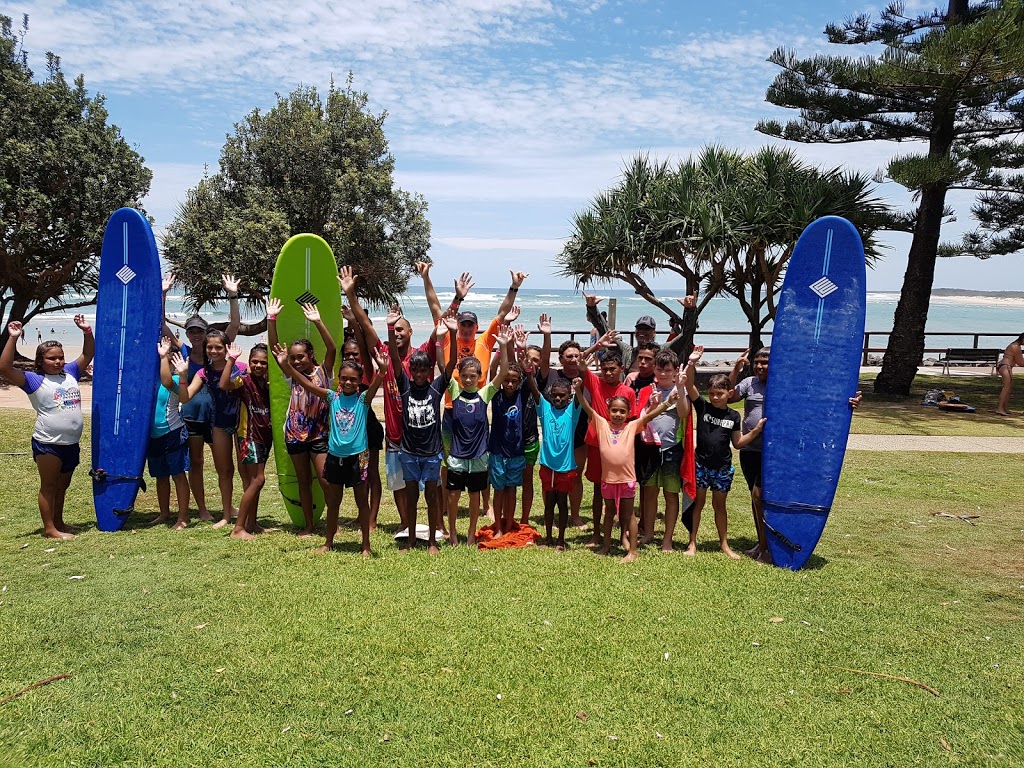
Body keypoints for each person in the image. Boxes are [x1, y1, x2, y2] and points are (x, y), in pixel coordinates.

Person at [341, 264, 469, 533]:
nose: (397, 333)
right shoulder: (385, 355)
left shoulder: (422, 356)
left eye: (402, 329)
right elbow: (364, 325)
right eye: (394, 329)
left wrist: (456, 299)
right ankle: (404, 523)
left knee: (432, 485)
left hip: (426, 439)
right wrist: (350, 295)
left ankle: (439, 525)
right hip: (397, 437)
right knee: (399, 484)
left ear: (410, 332)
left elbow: (442, 324)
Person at [727, 347, 862, 563]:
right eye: (757, 362)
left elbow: (818, 400)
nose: (760, 366)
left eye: (765, 362)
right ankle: (762, 544)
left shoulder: (786, 385)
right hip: (750, 450)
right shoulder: (749, 383)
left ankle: (768, 548)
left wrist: (848, 402)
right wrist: (736, 369)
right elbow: (729, 396)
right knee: (755, 500)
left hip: (774, 451)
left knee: (759, 495)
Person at [272, 344, 385, 557]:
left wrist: (382, 369)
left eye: (353, 379)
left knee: (362, 501)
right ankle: (328, 542)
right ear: (338, 380)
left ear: (359, 381)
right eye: (344, 378)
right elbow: (305, 383)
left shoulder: (363, 400)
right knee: (333, 502)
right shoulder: (331, 397)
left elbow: (379, 380)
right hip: (335, 457)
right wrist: (286, 365)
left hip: (359, 457)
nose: (348, 382)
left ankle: (366, 545)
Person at [0, 316, 94, 539]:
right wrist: (13, 338)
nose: (58, 361)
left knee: (62, 487)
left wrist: (87, 331)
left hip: (71, 443)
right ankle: (49, 528)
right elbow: (4, 367)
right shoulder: (34, 380)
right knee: (49, 487)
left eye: (61, 357)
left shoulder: (70, 373)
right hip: (48, 443)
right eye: (52, 358)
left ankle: (59, 522)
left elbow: (88, 354)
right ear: (41, 361)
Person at [573, 377, 679, 563]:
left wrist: (667, 402)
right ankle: (606, 545)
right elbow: (586, 407)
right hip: (608, 480)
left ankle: (633, 552)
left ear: (628, 413)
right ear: (608, 411)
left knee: (628, 514)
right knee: (609, 513)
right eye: (614, 410)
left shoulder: (632, 426)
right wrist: (578, 390)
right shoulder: (601, 424)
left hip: (627, 480)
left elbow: (649, 416)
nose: (617, 414)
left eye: (622, 411)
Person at [164, 273, 241, 523]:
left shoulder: (221, 353)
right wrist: (164, 294)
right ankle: (204, 510)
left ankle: (232, 512)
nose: (197, 336)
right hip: (193, 417)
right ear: (187, 334)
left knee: (227, 467)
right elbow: (162, 326)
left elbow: (234, 327)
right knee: (196, 463)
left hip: (220, 418)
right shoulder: (185, 353)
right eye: (192, 331)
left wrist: (232, 295)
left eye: (200, 332)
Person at [683, 346, 765, 558]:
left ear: (729, 394)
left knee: (719, 507)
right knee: (698, 505)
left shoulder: (733, 416)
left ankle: (724, 544)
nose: (715, 397)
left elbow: (738, 443)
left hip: (722, 468)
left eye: (719, 394)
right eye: (711, 394)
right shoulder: (702, 407)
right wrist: (692, 362)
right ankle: (692, 542)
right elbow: (690, 385)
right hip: (701, 465)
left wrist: (755, 431)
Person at [266, 297, 337, 536]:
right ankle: (309, 525)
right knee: (303, 481)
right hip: (295, 435)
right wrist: (271, 319)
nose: (296, 361)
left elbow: (332, 349)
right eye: (293, 358)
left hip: (319, 434)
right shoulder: (290, 374)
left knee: (326, 479)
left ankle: (332, 523)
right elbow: (274, 349)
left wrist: (318, 322)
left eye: (301, 357)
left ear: (310, 355)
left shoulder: (324, 372)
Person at [391, 316, 458, 554]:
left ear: (429, 371)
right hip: (409, 453)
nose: (419, 374)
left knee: (431, 497)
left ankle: (431, 541)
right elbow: (394, 359)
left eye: (424, 370)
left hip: (431, 454)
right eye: (415, 370)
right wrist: (390, 328)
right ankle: (410, 540)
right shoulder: (405, 385)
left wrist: (451, 335)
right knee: (411, 498)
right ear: (411, 370)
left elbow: (452, 364)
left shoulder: (435, 387)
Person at [446, 326, 512, 546]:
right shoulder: (455, 391)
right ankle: (453, 533)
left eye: (472, 376)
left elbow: (502, 374)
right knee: (454, 496)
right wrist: (446, 339)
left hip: (479, 457)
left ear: (479, 377)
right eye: (464, 376)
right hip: (456, 455)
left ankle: (471, 533)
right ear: (459, 376)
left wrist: (502, 346)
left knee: (475, 496)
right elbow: (442, 365)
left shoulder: (484, 393)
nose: (467, 380)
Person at [632, 349, 689, 550]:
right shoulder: (647, 389)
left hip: (672, 449)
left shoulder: (679, 390)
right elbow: (641, 418)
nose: (663, 374)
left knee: (671, 494)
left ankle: (667, 539)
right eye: (659, 369)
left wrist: (681, 390)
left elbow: (683, 414)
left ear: (674, 371)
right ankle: (648, 533)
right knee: (649, 492)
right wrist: (651, 405)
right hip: (649, 448)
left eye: (667, 370)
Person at [579, 351, 637, 547]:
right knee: (599, 490)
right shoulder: (595, 382)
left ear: (621, 369)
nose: (609, 373)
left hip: (619, 450)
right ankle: (597, 533)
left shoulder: (627, 392)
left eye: (613, 369)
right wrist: (594, 347)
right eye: (604, 369)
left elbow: (632, 423)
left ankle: (623, 535)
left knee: (622, 492)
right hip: (596, 445)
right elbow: (580, 365)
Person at [523, 362, 581, 550]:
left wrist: (582, 373)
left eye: (562, 395)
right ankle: (548, 538)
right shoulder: (545, 409)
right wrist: (529, 372)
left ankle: (561, 540)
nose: (557, 398)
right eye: (554, 395)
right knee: (548, 504)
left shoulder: (573, 410)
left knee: (562, 503)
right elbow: (534, 390)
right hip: (547, 465)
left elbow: (581, 394)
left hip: (566, 467)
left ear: (568, 396)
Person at [221, 342, 273, 539]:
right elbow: (224, 384)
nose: (259, 366)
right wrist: (231, 360)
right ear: (249, 363)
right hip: (249, 436)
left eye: (263, 363)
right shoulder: (244, 382)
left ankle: (252, 523)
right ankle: (238, 528)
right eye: (255, 362)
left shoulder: (269, 385)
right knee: (258, 479)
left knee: (255, 482)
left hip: (265, 438)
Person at [147, 338, 193, 530]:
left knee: (178, 475)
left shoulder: (175, 380)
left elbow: (166, 380)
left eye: (168, 355)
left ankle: (183, 517)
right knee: (161, 476)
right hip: (153, 437)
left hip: (173, 433)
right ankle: (164, 513)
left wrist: (164, 356)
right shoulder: (150, 381)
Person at [995, 333, 1024, 416]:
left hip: (1004, 366)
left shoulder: (1014, 345)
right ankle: (1000, 408)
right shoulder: (1016, 347)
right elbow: (1020, 363)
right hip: (1006, 367)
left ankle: (1005, 408)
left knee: (1009, 388)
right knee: (1006, 388)